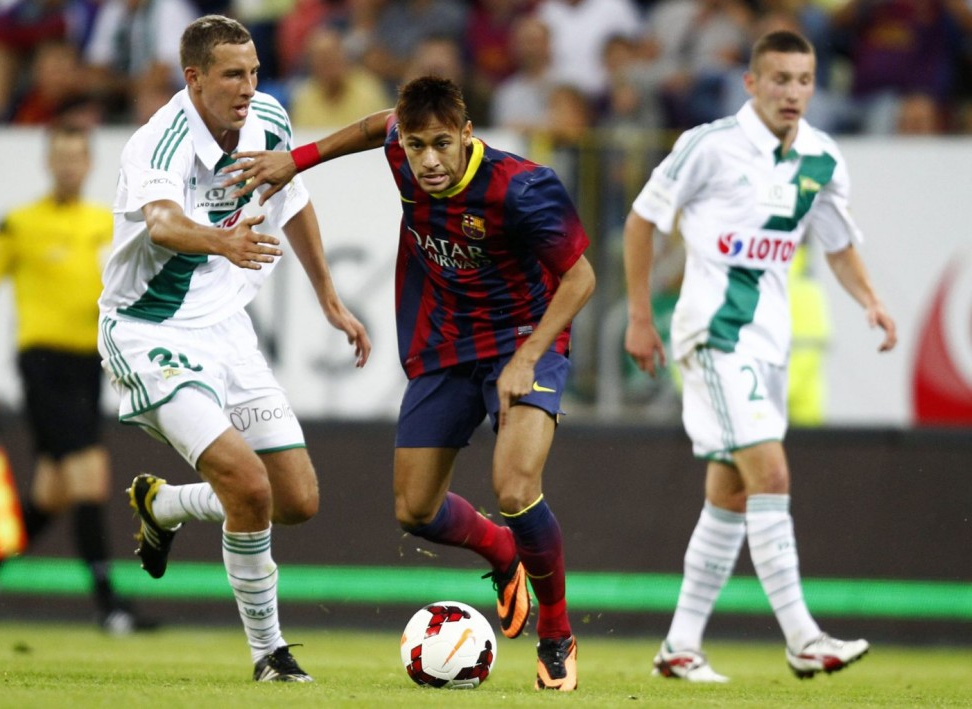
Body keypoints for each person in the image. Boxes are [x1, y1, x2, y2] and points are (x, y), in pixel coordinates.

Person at [221, 75, 596, 691]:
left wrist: (528, 355)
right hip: (446, 346)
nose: (427, 161)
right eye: (417, 144)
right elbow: (376, 125)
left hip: (525, 341)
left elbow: (579, 278)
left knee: (515, 485)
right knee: (414, 511)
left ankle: (556, 636)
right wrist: (297, 159)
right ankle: (502, 553)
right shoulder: (399, 143)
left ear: (468, 134)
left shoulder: (522, 188)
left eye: (441, 145)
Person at [96, 15, 370, 682]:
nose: (249, 86)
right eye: (232, 75)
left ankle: (163, 505)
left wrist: (330, 298)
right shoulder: (158, 141)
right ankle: (269, 653)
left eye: (252, 71)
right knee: (248, 485)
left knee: (295, 497)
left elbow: (294, 200)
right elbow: (161, 222)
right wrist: (223, 240)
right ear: (194, 78)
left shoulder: (268, 118)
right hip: (150, 332)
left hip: (227, 332)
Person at [623, 29, 897, 682]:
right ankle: (803, 636)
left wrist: (870, 300)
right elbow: (641, 220)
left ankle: (680, 644)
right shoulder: (709, 146)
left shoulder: (822, 158)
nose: (793, 93)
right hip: (716, 336)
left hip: (770, 341)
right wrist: (640, 315)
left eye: (803, 80)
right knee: (770, 473)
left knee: (734, 492)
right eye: (779, 79)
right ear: (751, 83)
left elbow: (836, 242)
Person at [0, 125, 146, 634]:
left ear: (88, 164)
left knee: (51, 494)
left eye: (76, 157)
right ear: (47, 162)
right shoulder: (19, 224)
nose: (67, 166)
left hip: (88, 367)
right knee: (90, 474)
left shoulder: (104, 225)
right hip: (43, 365)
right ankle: (109, 605)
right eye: (59, 157)